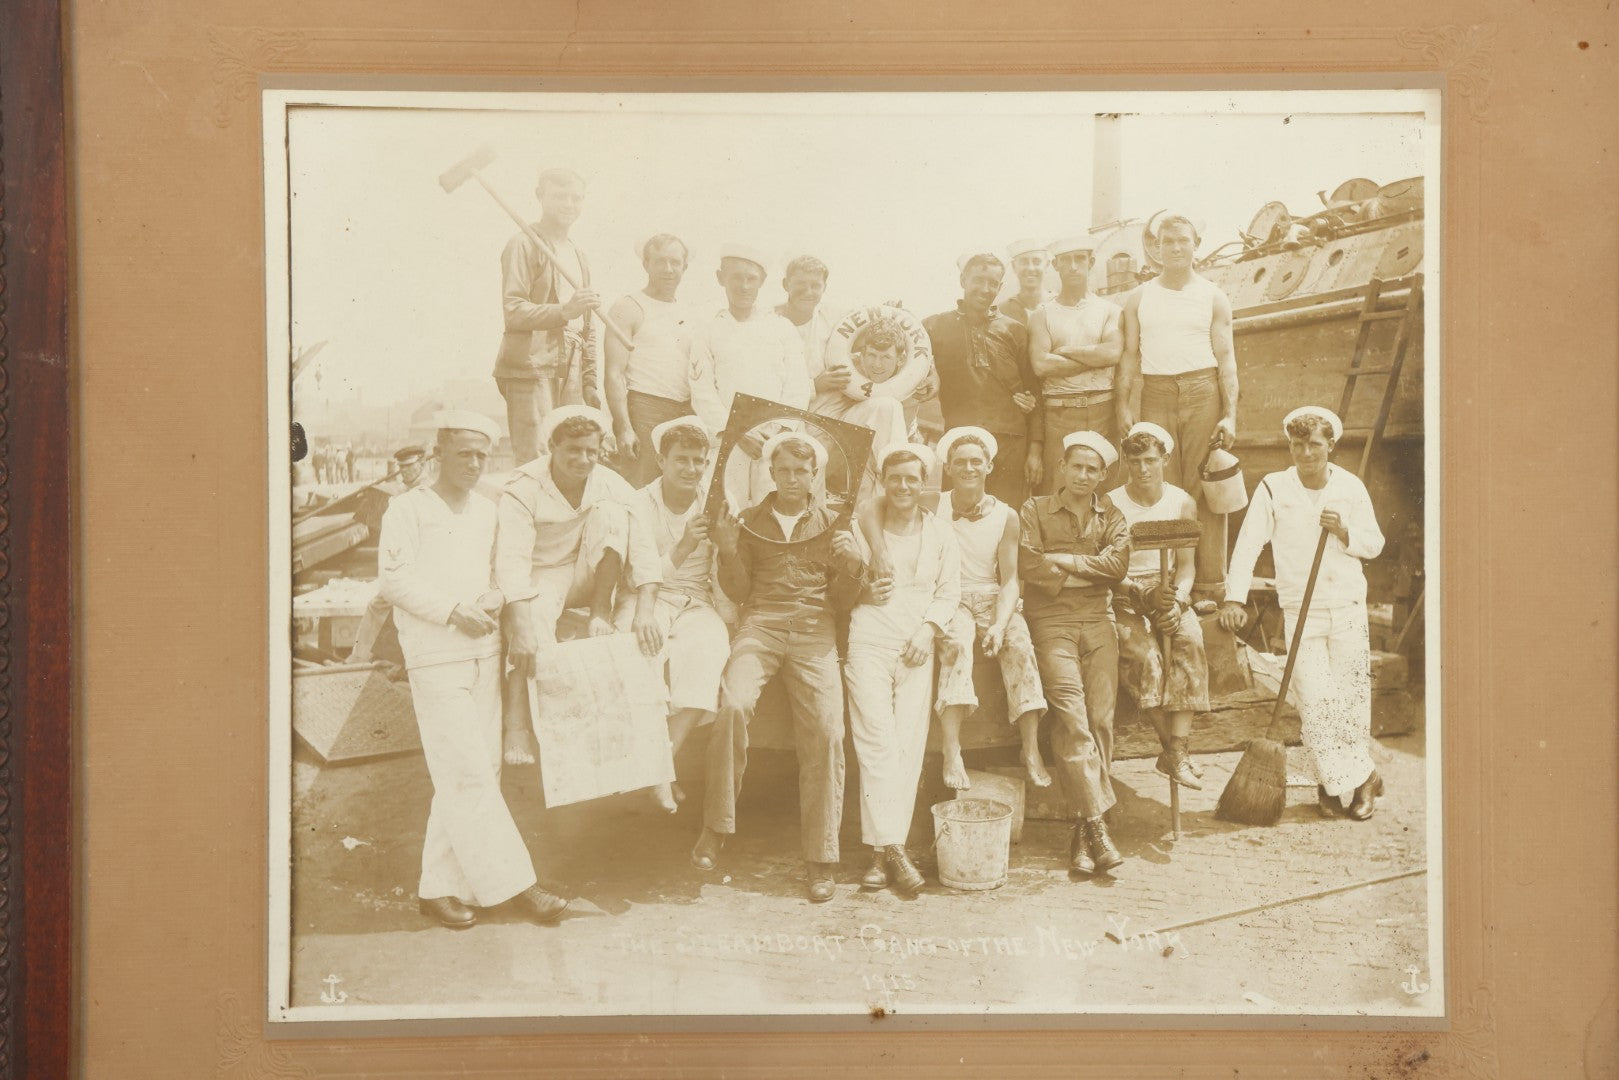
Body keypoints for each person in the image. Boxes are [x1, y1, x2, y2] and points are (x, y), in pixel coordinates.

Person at [376, 410, 567, 929]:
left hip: (484, 654)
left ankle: (437, 888)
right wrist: (451, 610)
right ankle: (519, 886)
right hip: (435, 656)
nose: (474, 463)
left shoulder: (488, 511)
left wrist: (493, 597)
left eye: (483, 454)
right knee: (466, 772)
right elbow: (393, 580)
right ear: (439, 454)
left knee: (473, 772)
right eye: (464, 453)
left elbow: (501, 573)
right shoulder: (407, 509)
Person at [691, 432, 863, 903]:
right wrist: (728, 548)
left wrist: (852, 564)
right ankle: (716, 826)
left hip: (814, 629)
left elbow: (844, 602)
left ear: (815, 475)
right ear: (771, 471)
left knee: (828, 730)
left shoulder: (836, 521)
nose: (791, 479)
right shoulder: (747, 520)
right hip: (762, 623)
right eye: (783, 469)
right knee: (732, 704)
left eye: (801, 471)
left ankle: (821, 857)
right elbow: (741, 591)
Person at [1220, 406, 1386, 820]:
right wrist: (1234, 598)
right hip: (1301, 608)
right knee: (1315, 701)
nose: (1306, 453)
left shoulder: (1350, 488)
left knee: (1350, 698)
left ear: (1331, 445)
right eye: (1298, 445)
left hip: (1346, 605)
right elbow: (1247, 546)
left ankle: (1334, 786)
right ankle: (1360, 777)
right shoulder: (1274, 488)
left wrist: (1345, 531)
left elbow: (1375, 543)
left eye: (1315, 444)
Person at [494, 405, 663, 767]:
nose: (583, 459)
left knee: (612, 513)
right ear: (552, 446)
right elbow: (512, 564)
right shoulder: (523, 487)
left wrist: (645, 608)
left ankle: (599, 613)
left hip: (591, 574)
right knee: (534, 621)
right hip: (542, 574)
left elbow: (644, 549)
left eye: (591, 450)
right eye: (573, 449)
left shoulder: (610, 482)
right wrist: (520, 628)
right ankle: (521, 724)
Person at [844, 444, 960, 896]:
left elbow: (949, 592)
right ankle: (891, 850)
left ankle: (881, 854)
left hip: (916, 646)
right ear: (883, 482)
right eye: (896, 478)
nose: (904, 487)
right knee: (877, 744)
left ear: (925, 483)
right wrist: (860, 592)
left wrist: (928, 630)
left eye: (913, 479)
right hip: (869, 640)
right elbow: (840, 586)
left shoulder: (941, 533)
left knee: (908, 748)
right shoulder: (860, 529)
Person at [1018, 430, 1131, 878]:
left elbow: (1117, 567)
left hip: (1098, 622)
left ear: (1103, 475)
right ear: (1061, 467)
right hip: (1051, 622)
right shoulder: (1035, 509)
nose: (1083, 475)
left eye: (1093, 469)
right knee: (1072, 715)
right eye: (1076, 466)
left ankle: (1084, 830)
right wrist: (1090, 571)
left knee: (1100, 720)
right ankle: (1099, 824)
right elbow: (1030, 563)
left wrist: (1064, 561)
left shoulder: (1113, 515)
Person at [617, 416, 735, 813]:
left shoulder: (717, 500)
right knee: (636, 652)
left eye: (699, 461)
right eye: (681, 459)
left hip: (697, 600)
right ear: (661, 459)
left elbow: (727, 568)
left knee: (710, 649)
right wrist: (684, 546)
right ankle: (660, 771)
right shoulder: (638, 503)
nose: (691, 469)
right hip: (646, 595)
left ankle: (658, 765)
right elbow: (636, 573)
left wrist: (728, 544)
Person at [1116, 213, 1239, 590]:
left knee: (1207, 482)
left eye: (1182, 240)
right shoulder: (1139, 297)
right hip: (1156, 392)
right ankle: (1162, 581)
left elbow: (1227, 357)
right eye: (1166, 241)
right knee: (1158, 482)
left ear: (1195, 244)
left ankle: (1210, 584)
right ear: (1156, 248)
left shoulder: (1213, 295)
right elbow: (1129, 357)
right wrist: (1123, 404)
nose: (1174, 248)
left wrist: (1230, 415)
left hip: (1203, 390)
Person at [932, 427, 1049, 792]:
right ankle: (952, 748)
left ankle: (1029, 748)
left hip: (992, 596)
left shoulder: (1006, 515)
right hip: (950, 597)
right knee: (957, 646)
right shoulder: (932, 504)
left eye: (975, 462)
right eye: (960, 462)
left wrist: (1000, 623)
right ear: (948, 467)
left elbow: (1011, 579)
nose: (968, 468)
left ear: (989, 467)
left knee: (1019, 645)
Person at [1108, 421, 1210, 790]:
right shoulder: (1111, 504)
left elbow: (1187, 568)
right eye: (1134, 461)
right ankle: (1174, 752)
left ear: (1165, 458)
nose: (1142, 469)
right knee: (1145, 657)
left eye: (1150, 460)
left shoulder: (1182, 502)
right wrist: (1136, 591)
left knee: (1190, 642)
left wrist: (1177, 604)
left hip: (1169, 590)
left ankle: (1176, 750)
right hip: (1124, 592)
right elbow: (1107, 569)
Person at [492, 167, 603, 467]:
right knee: (536, 459)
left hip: (573, 366)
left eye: (576, 198)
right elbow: (513, 310)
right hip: (532, 366)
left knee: (570, 458)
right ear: (540, 196)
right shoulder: (524, 243)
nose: (569, 204)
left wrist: (590, 380)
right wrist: (564, 312)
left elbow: (587, 323)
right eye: (560, 196)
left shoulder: (580, 255)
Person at [687, 244, 813, 505]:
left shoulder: (781, 328)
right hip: (730, 440)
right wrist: (737, 433)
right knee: (728, 512)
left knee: (773, 512)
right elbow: (702, 392)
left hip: (777, 440)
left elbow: (797, 386)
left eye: (751, 278)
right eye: (736, 277)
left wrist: (779, 431)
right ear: (721, 278)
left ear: (762, 281)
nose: (744, 286)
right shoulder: (708, 330)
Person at [924, 252, 1044, 508]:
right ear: (963, 280)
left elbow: (1036, 395)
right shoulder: (934, 327)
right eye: (978, 280)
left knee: (1006, 518)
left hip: (1010, 444)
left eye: (993, 283)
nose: (985, 289)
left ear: (1000, 288)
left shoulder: (1016, 330)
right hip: (960, 444)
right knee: (957, 518)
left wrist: (1034, 451)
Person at [1029, 235, 1124, 493]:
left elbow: (1113, 353)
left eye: (1079, 259)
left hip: (1102, 411)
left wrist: (1067, 351)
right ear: (1055, 265)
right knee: (1060, 492)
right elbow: (1041, 365)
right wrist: (1095, 359)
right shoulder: (1042, 314)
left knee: (1103, 493)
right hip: (1060, 414)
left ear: (1091, 262)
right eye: (1065, 260)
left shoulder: (1110, 310)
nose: (1073, 266)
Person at [604, 234, 696, 486]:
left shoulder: (691, 311)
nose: (668, 269)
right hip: (644, 410)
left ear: (684, 267)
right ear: (646, 264)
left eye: (675, 262)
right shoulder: (628, 307)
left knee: (681, 492)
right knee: (642, 489)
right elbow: (613, 373)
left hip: (685, 410)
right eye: (660, 261)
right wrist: (623, 428)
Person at [347, 445, 435, 664]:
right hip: (407, 566)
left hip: (422, 567)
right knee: (381, 606)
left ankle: (359, 659)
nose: (404, 471)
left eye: (409, 466)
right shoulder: (405, 492)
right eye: (402, 467)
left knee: (380, 607)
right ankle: (362, 658)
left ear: (422, 465)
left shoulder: (427, 492)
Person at [999, 237, 1051, 327]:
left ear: (1046, 265)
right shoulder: (1003, 310)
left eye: (1036, 262)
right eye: (1024, 262)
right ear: (1014, 266)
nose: (1030, 268)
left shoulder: (1059, 306)